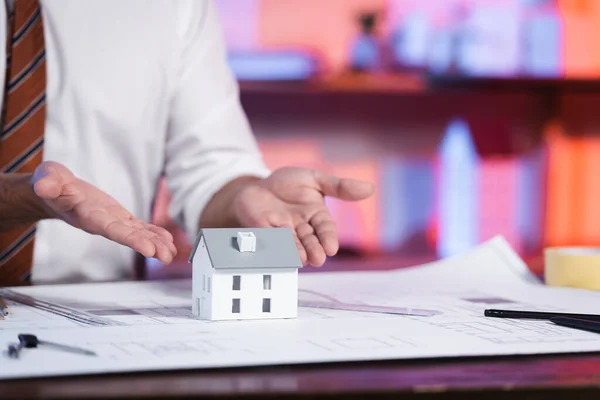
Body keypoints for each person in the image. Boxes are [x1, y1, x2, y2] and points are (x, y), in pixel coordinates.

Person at [0, 0, 374, 286]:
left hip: (97, 321)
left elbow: (212, 168)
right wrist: (15, 199)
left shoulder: (173, 6)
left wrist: (243, 195)